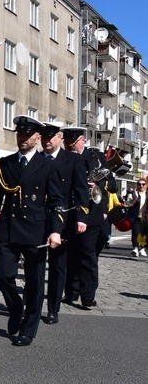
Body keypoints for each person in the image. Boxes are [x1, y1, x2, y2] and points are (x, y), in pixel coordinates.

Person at [0, 116, 63, 347]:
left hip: (36, 229)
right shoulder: (5, 164)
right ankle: (15, 307)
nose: (22, 139)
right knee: (1, 275)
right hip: (9, 227)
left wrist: (56, 231)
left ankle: (28, 329)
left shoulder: (48, 165)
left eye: (27, 136)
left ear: (37, 137)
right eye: (19, 135)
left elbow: (56, 201)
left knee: (34, 283)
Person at [39, 122, 89, 325]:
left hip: (63, 219)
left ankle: (53, 308)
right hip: (38, 218)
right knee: (35, 263)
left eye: (51, 137)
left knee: (58, 266)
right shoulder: (37, 159)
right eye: (44, 137)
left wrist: (82, 217)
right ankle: (32, 304)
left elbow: (81, 190)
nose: (47, 140)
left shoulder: (72, 159)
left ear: (59, 137)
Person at [62, 127, 116, 309]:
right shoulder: (65, 158)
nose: (69, 144)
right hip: (70, 211)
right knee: (70, 255)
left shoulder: (96, 158)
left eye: (73, 141)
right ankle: (70, 292)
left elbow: (112, 184)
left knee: (87, 255)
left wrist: (97, 183)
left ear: (82, 140)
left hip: (92, 214)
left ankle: (88, 295)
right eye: (67, 141)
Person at [125, 178, 147, 257]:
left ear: (146, 185)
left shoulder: (147, 194)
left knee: (144, 233)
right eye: (139, 184)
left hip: (145, 217)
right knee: (136, 233)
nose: (141, 186)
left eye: (143, 184)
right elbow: (128, 204)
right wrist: (134, 198)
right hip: (135, 217)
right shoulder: (132, 193)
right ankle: (135, 248)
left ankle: (142, 248)